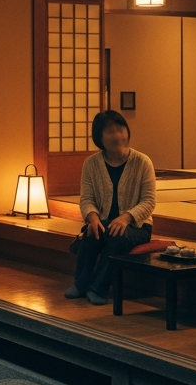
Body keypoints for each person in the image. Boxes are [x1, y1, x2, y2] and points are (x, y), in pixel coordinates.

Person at [65, 110, 157, 305]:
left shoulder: (142, 162)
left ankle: (98, 288)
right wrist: (93, 218)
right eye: (110, 131)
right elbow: (86, 199)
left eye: (120, 129)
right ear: (100, 137)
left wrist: (126, 217)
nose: (117, 135)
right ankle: (80, 284)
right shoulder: (91, 164)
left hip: (137, 227)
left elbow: (149, 201)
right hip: (104, 222)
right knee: (92, 232)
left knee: (116, 236)